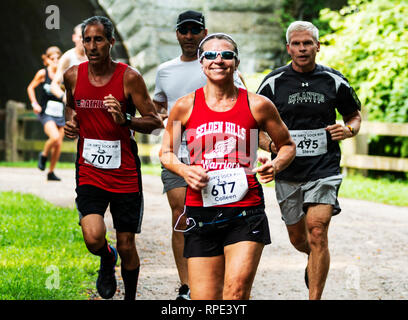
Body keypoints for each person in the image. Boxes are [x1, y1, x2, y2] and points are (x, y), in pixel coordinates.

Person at [160, 33, 295, 300]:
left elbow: (288, 145)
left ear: (236, 61)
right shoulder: (184, 107)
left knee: (235, 293)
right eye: (210, 55)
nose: (218, 60)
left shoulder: (258, 104)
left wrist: (276, 165)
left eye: (226, 54)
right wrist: (185, 170)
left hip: (245, 212)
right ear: (201, 62)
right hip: (201, 212)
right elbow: (166, 152)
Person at [257, 21, 362, 300]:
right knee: (299, 239)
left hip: (323, 168)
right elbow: (254, 126)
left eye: (307, 43)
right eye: (297, 43)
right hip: (288, 171)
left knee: (317, 232)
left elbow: (354, 115)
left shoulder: (334, 80)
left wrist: (349, 129)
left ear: (318, 46)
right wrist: (274, 147)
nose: (302, 49)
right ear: (288, 47)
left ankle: (314, 296)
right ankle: (314, 258)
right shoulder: (273, 82)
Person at [63, 16, 163, 300]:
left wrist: (126, 120)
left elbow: (155, 122)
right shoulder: (72, 75)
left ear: (111, 42)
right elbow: (71, 107)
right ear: (82, 43)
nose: (92, 46)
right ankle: (107, 259)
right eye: (88, 40)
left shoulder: (129, 77)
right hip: (89, 167)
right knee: (93, 237)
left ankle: (129, 297)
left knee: (127, 244)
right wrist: (71, 123)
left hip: (124, 171)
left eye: (99, 39)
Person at [153, 10, 245, 300]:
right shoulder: (165, 71)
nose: (190, 36)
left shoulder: (222, 65)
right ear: (178, 34)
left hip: (219, 158)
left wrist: (256, 153)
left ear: (204, 33)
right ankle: (187, 285)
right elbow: (157, 107)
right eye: (184, 31)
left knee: (219, 214)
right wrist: (164, 118)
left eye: (195, 30)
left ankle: (217, 274)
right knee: (182, 214)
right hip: (177, 155)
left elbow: (245, 111)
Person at [27, 46, 65, 181]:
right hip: (46, 112)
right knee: (54, 137)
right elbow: (30, 87)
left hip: (60, 113)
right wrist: (34, 104)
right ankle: (43, 155)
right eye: (52, 58)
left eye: (58, 58)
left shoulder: (63, 75)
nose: (55, 60)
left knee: (59, 144)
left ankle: (51, 172)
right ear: (47, 60)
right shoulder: (43, 73)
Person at [50, 24, 87, 102]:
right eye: (80, 37)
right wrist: (64, 97)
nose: (83, 40)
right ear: (74, 37)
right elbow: (54, 85)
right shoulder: (68, 57)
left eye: (87, 38)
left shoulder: (96, 57)